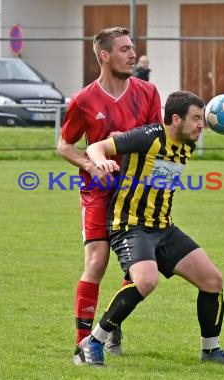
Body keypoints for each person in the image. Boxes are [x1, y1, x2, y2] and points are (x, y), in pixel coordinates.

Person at [74, 91, 224, 367]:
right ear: (175, 119)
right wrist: (101, 160)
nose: (201, 125)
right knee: (146, 280)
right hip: (130, 226)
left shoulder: (186, 142)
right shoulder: (149, 136)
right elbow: (96, 146)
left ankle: (211, 351)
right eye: (196, 119)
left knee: (213, 281)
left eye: (203, 119)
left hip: (164, 228)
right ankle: (92, 343)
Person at [56, 27, 162, 361]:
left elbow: (159, 137)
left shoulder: (147, 92)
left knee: (133, 270)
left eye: (133, 49)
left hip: (136, 191)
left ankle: (110, 325)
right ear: (104, 55)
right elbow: (64, 145)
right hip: (98, 191)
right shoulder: (84, 100)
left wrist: (128, 140)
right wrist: (90, 165)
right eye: (124, 50)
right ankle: (83, 343)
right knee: (97, 260)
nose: (133, 55)